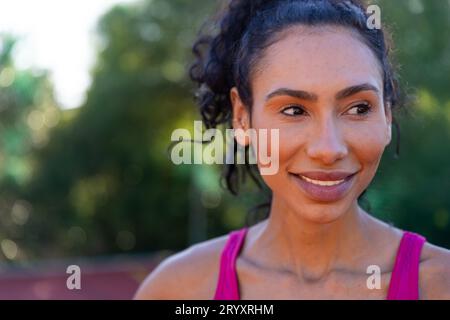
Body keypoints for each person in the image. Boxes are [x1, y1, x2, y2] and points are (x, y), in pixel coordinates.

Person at [135, 0, 450, 299]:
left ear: (386, 115)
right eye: (294, 110)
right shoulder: (179, 289)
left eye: (357, 108)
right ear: (243, 118)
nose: (328, 149)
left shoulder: (441, 285)